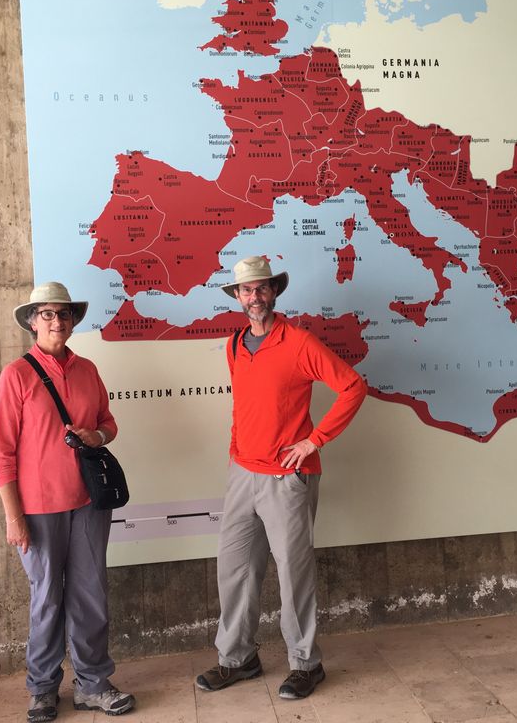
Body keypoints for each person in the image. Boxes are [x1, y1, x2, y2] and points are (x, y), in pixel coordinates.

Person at [196, 257, 368, 700]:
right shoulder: (235, 345)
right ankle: (238, 659)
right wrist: (236, 455)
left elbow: (353, 387)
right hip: (243, 473)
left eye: (262, 288)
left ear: (274, 291)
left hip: (287, 477)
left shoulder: (299, 342)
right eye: (246, 290)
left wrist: (314, 441)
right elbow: (245, 407)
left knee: (293, 574)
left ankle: (306, 664)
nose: (254, 297)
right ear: (238, 297)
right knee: (235, 569)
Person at [0, 282, 136, 721]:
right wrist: (14, 517)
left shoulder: (88, 370)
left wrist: (97, 436)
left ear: (72, 322)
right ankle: (42, 688)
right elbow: (0, 454)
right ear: (33, 323)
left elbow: (109, 423)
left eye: (64, 314)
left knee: (90, 596)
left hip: (89, 503)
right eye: (47, 314)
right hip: (37, 509)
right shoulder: (16, 375)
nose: (57, 321)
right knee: (47, 599)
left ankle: (93, 684)